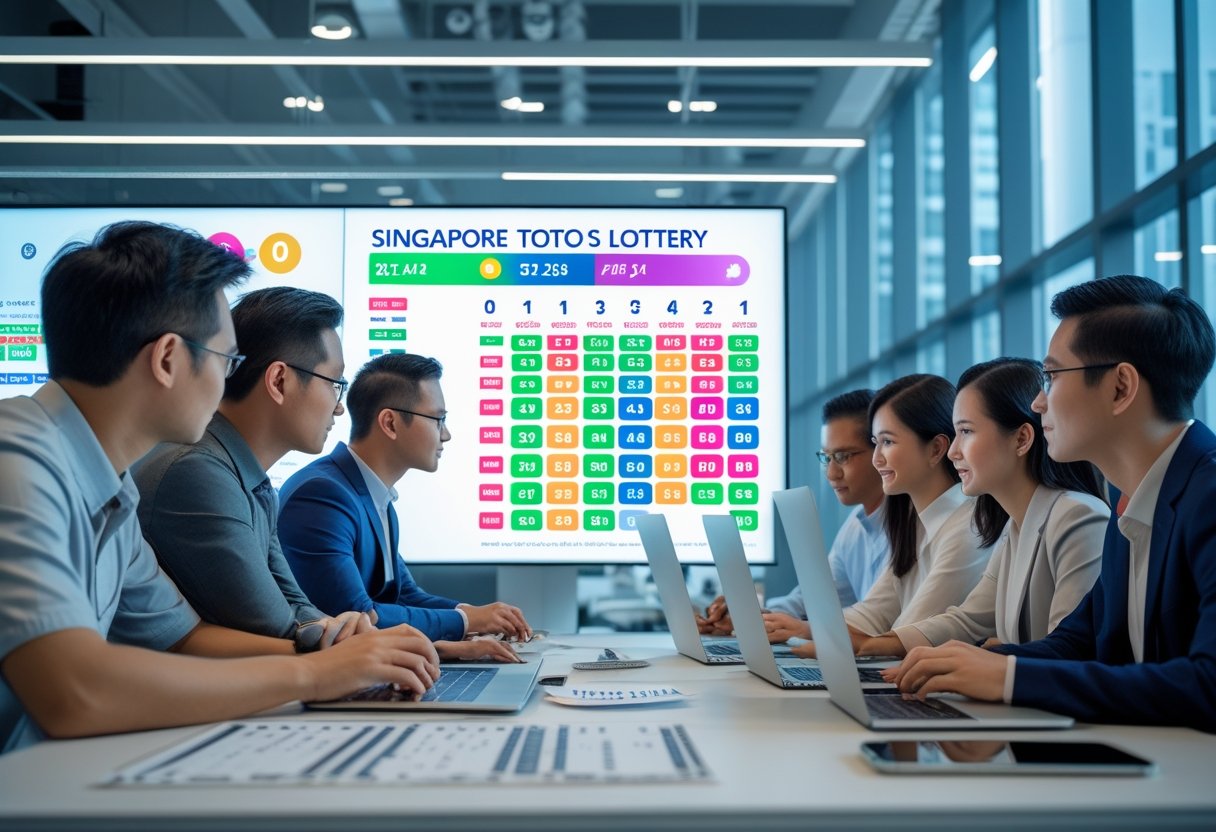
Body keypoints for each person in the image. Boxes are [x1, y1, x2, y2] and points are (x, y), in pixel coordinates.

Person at [0, 222, 438, 753]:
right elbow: (74, 691)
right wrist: (317, 675)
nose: (229, 383)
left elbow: (184, 637)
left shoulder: (107, 482)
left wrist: (344, 656)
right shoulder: (17, 460)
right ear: (167, 360)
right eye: (227, 361)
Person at [889, 275, 1216, 732]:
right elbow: (1077, 643)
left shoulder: (1207, 495)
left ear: (1121, 387)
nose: (1039, 402)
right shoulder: (1134, 502)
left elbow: (1208, 684)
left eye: (1052, 376)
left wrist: (1008, 676)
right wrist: (973, 662)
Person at [134, 288, 372, 652]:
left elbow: (301, 612)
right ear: (279, 381)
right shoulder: (197, 472)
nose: (339, 409)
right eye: (334, 384)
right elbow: (274, 628)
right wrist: (351, 642)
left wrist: (342, 631)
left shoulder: (250, 481)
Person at [856, 358, 1108, 657]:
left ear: (1022, 438)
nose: (953, 451)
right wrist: (865, 645)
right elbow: (968, 620)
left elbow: (1068, 653)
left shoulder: (1078, 517)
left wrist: (998, 655)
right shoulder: (1014, 527)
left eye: (966, 432)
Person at [278, 353, 532, 644]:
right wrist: (466, 621)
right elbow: (356, 615)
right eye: (438, 419)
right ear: (390, 423)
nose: (446, 434)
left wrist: (472, 613)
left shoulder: (373, 496)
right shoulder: (323, 496)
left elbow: (406, 595)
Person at [792, 374, 989, 658]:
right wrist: (798, 630)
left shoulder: (967, 526)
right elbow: (872, 614)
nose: (877, 459)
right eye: (876, 442)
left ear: (936, 448)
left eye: (887, 442)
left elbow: (910, 631)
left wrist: (806, 632)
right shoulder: (914, 523)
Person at [696, 389, 889, 642]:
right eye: (826, 457)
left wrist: (800, 628)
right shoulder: (855, 525)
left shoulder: (914, 526)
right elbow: (809, 600)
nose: (831, 473)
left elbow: (877, 619)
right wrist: (749, 616)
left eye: (842, 457)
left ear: (880, 453)